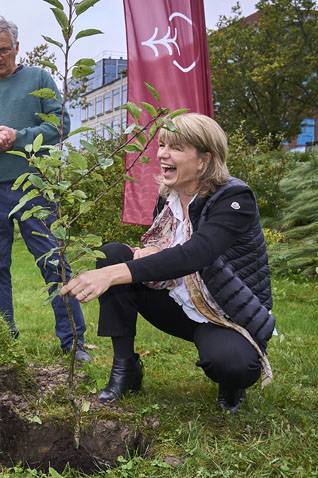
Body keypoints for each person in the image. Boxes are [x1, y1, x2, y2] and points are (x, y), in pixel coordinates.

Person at [60, 113, 275, 412]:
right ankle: (125, 370)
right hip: (178, 301)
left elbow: (195, 254)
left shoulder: (235, 199)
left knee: (233, 363)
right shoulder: (169, 195)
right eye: (162, 145)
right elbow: (165, 246)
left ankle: (232, 384)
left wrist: (111, 275)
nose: (162, 154)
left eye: (175, 147)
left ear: (203, 160)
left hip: (225, 312)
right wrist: (149, 252)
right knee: (113, 254)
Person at [0, 16, 89, 361]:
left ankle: (73, 342)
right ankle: (3, 337)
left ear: (16, 48)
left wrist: (17, 138)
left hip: (33, 186)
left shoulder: (38, 79)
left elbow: (60, 125)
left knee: (54, 262)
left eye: (3, 50)